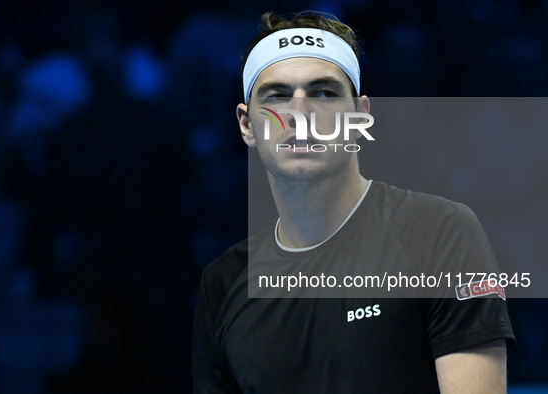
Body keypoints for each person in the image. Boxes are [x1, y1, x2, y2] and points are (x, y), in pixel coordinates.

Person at [192, 11, 515, 393]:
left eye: (323, 93)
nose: (300, 113)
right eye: (277, 95)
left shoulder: (439, 231)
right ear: (247, 125)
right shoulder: (222, 284)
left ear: (360, 117)